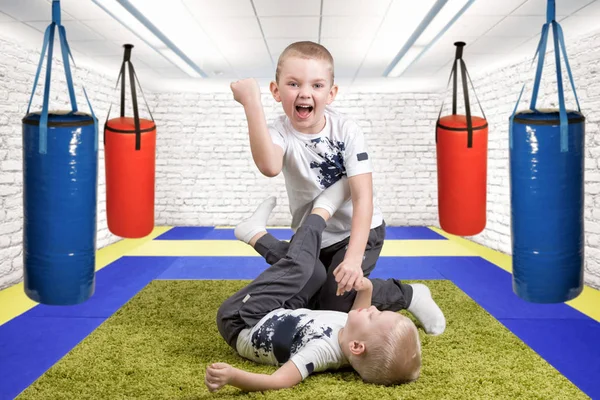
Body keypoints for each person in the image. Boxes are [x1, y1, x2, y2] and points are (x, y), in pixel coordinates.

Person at [230, 41, 445, 335]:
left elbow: (363, 196)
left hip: (357, 231)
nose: (305, 92)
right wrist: (251, 104)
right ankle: (256, 233)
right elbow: (269, 166)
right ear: (276, 91)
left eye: (316, 85)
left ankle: (407, 294)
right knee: (307, 281)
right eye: (293, 84)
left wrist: (354, 257)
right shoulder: (279, 130)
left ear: (330, 94)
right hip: (313, 232)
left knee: (334, 305)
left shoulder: (346, 130)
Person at [208, 180, 422, 393]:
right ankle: (254, 234)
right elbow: (358, 312)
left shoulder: (321, 351)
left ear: (357, 347)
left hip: (242, 320)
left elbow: (278, 381)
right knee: (316, 272)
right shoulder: (353, 333)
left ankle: (321, 210)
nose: (374, 308)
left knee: (300, 268)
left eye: (374, 316)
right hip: (279, 313)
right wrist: (365, 289)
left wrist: (233, 376)